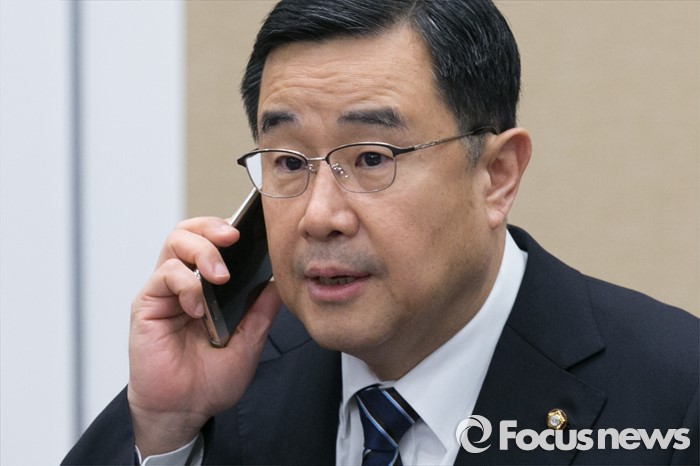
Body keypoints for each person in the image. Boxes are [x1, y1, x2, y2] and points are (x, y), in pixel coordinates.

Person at [62, 0, 698, 464]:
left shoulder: (676, 394)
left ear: (497, 175)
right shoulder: (227, 381)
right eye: (289, 162)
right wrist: (166, 428)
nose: (319, 216)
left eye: (371, 158)